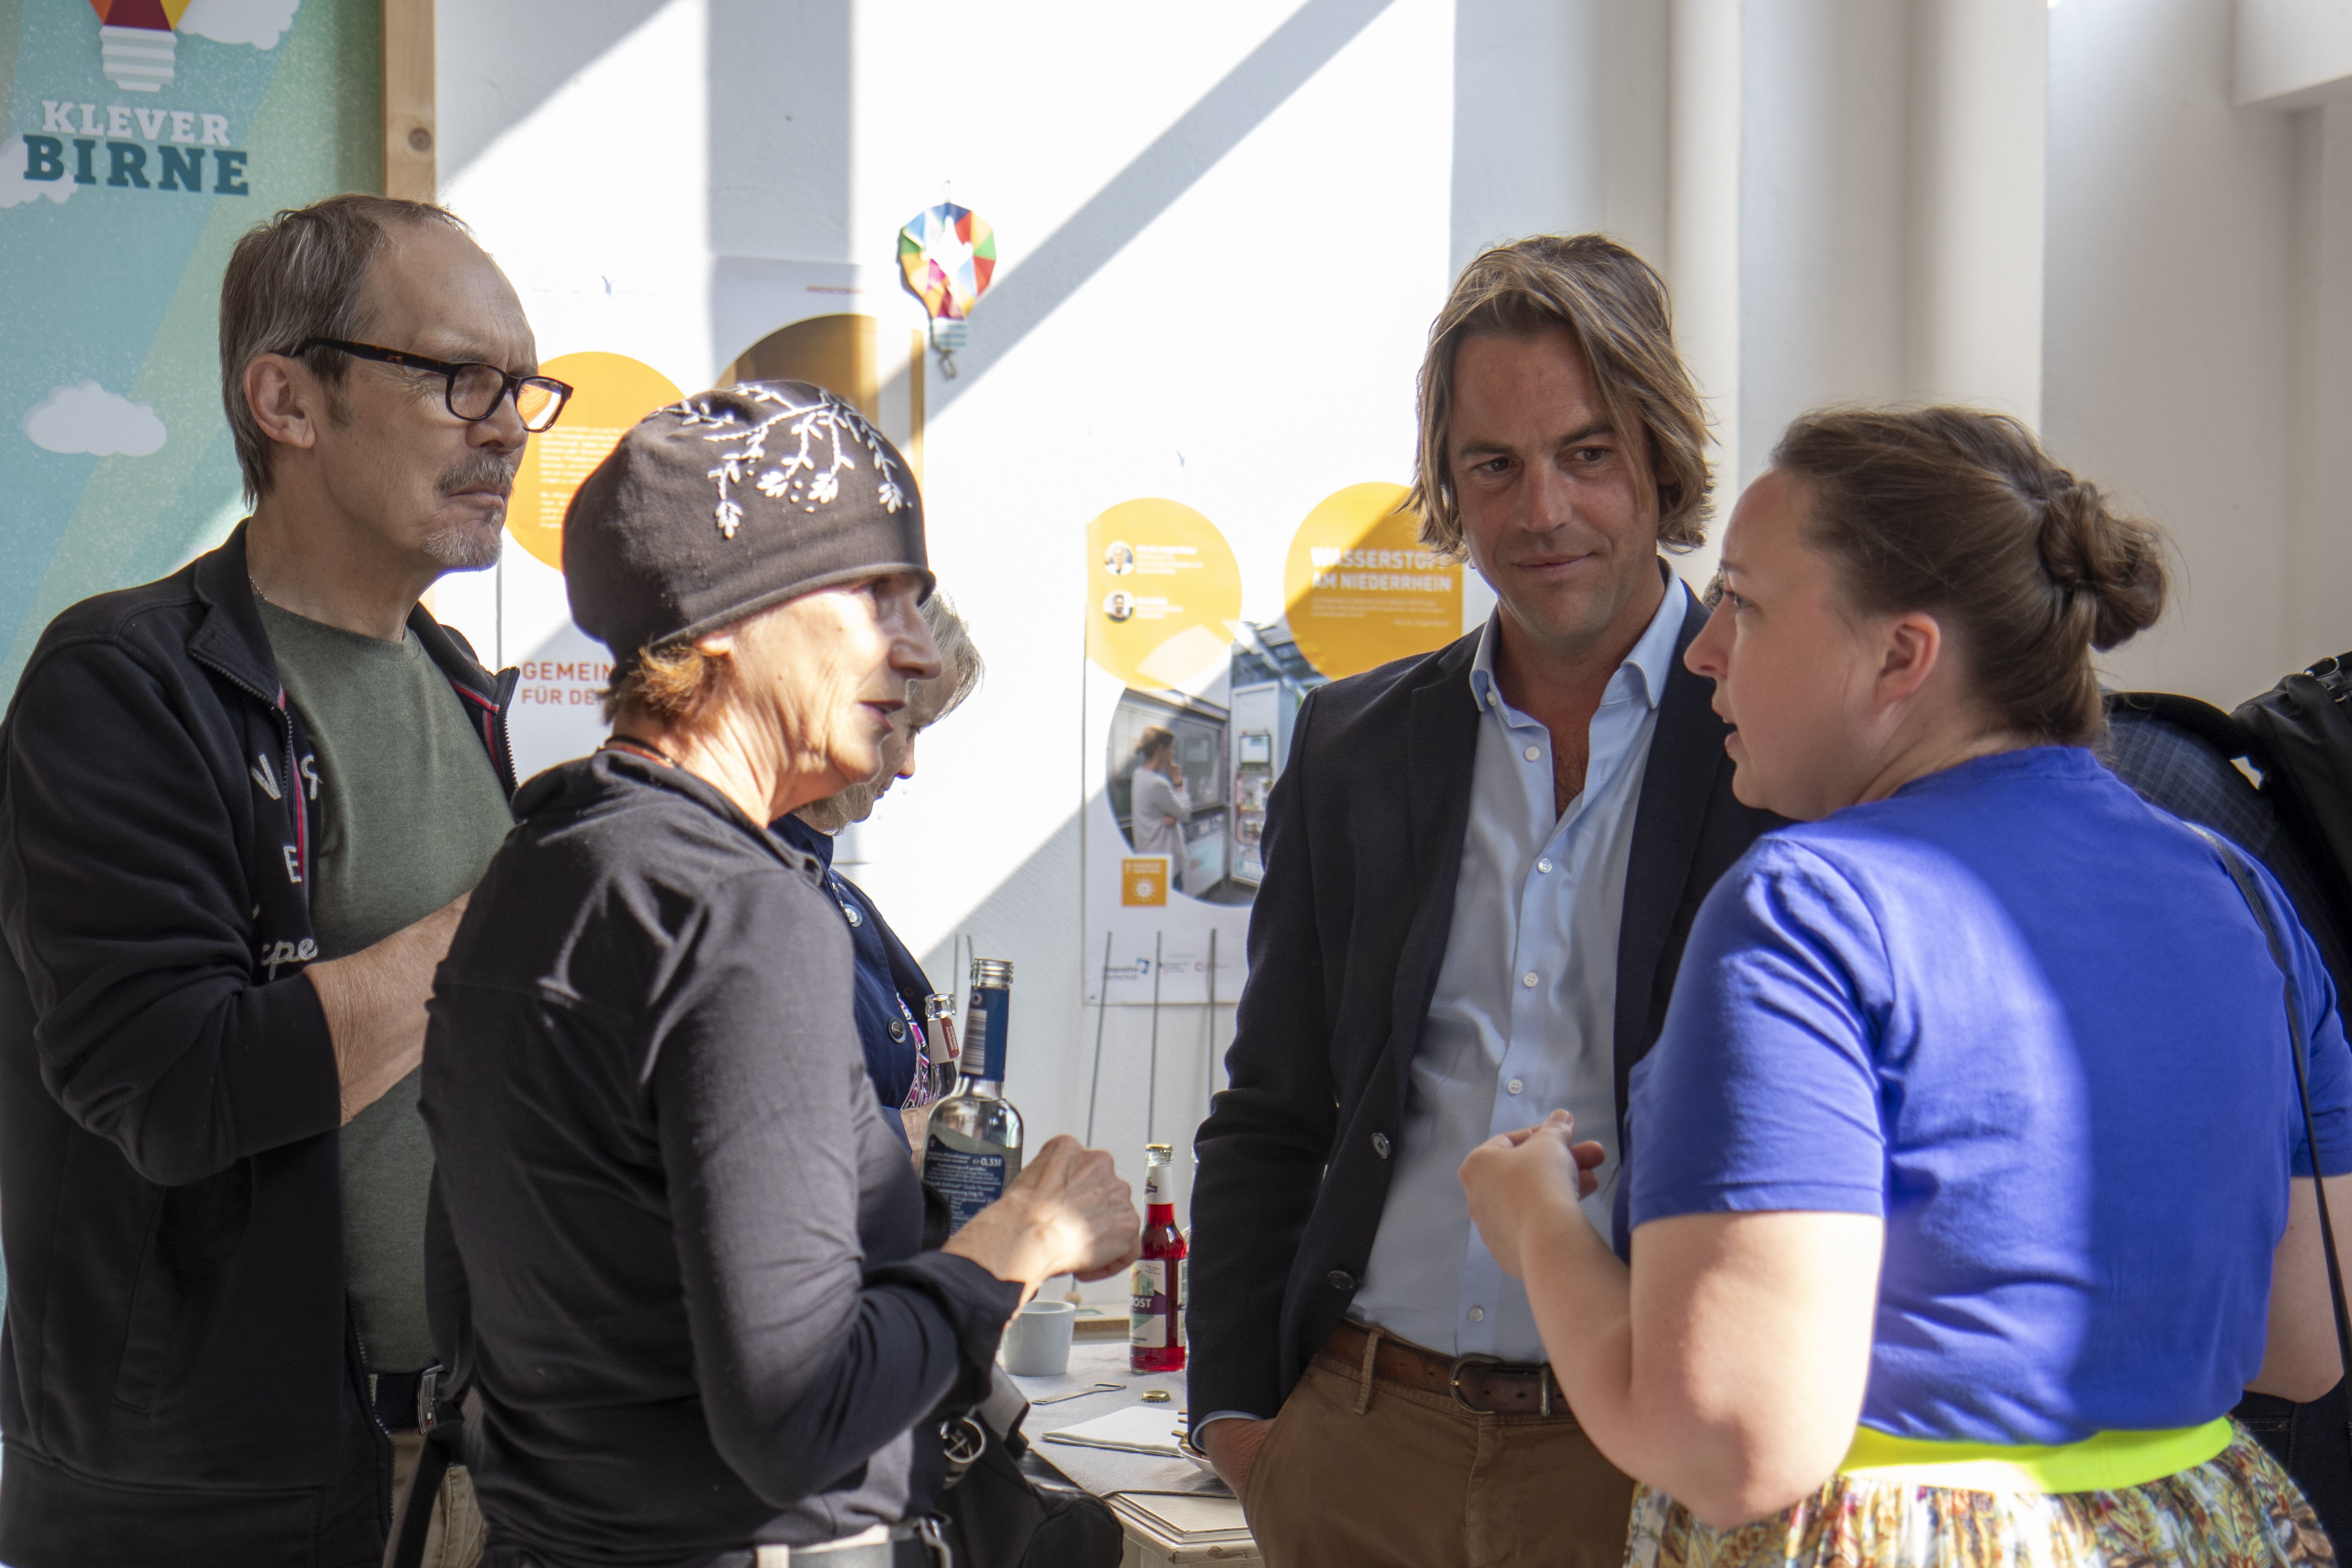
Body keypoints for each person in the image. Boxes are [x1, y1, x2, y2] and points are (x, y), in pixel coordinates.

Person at [1460, 406, 2348, 1568]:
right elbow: (2303, 1338)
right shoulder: (2239, 892)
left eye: (1744, 599)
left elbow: (1732, 1440)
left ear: (1900, 655)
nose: (1703, 649)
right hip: (2206, 1524)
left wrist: (1536, 1223)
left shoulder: (1810, 908)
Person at [420, 381, 1140, 1565]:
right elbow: (796, 1413)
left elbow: (473, 1285)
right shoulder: (747, 914)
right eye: (873, 596)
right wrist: (1024, 1236)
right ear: (717, 623)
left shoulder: (541, 868)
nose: (913, 650)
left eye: (916, 597)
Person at [1187, 233, 1779, 1568]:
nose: (1542, 513)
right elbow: (1273, 1106)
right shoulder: (1352, 746)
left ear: (1663, 457)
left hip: (1639, 1457)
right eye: (1492, 466)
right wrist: (1239, 1417)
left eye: (1588, 452)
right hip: (1357, 1437)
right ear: (1447, 484)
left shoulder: (1776, 753)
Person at [0, 194, 556, 1568]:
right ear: (288, 399)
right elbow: (175, 1084)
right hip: (207, 1495)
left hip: (459, 1452)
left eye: (522, 389)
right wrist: (512, 921)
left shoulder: (457, 685)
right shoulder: (126, 688)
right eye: (456, 377)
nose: (503, 426)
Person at [780, 591, 985, 1143]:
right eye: (911, 724)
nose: (910, 765)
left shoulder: (834, 893)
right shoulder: (761, 895)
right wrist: (925, 1138)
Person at [1128, 726, 1190, 889]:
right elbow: (1185, 814)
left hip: (1149, 860)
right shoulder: (1158, 784)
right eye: (1171, 748)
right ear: (1160, 750)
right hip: (1165, 866)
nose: (1173, 754)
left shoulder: (1139, 775)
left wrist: (1170, 814)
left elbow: (1156, 809)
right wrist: (1178, 782)